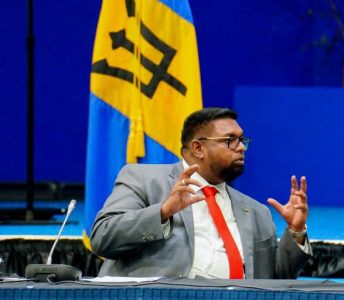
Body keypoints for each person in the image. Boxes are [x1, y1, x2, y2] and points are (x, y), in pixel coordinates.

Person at [90, 107, 311, 279]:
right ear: (198, 148)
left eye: (242, 140)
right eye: (230, 140)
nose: (241, 147)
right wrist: (163, 212)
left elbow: (277, 280)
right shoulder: (145, 180)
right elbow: (103, 238)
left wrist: (296, 232)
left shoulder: (256, 211)